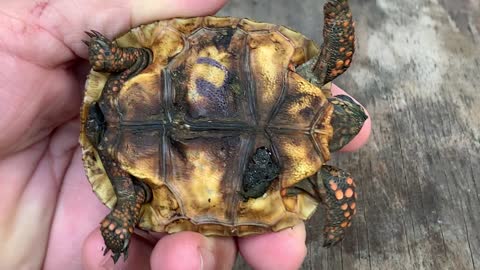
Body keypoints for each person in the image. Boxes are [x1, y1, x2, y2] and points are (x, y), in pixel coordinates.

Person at [0, 0, 371, 269]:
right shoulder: (314, 157)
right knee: (144, 204)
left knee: (144, 60)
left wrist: (112, 58)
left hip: (132, 89)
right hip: (132, 171)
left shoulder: (311, 86)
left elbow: (335, 53)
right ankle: (124, 211)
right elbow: (335, 192)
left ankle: (117, 61)